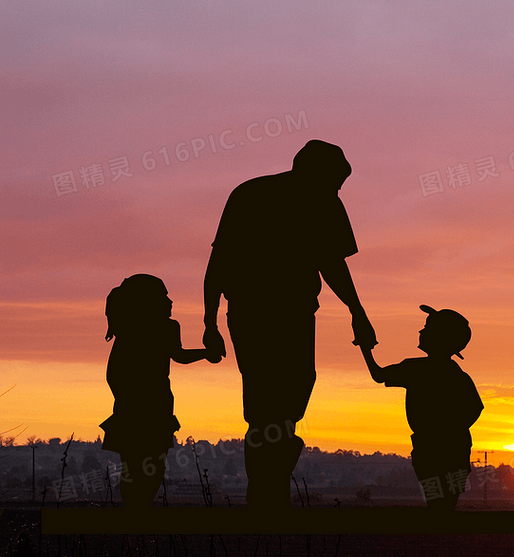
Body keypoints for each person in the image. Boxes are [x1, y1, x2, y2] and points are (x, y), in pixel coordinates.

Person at [202, 140, 377, 509]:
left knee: (293, 394)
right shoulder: (250, 195)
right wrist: (210, 322)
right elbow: (220, 261)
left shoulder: (326, 204)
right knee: (265, 404)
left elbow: (332, 264)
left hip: (297, 313)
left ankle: (273, 483)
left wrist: (357, 311)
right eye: (334, 182)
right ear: (309, 172)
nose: (337, 191)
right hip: (254, 314)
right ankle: (265, 495)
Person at [99, 274, 218, 509]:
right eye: (163, 297)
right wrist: (206, 353)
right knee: (142, 465)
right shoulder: (153, 329)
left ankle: (136, 511)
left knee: (145, 465)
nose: (170, 301)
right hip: (144, 407)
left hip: (151, 406)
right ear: (148, 302)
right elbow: (179, 355)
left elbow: (114, 374)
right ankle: (136, 511)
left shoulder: (143, 329)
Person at [362, 305, 483, 512]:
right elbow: (475, 408)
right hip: (451, 448)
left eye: (427, 328)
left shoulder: (416, 370)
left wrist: (365, 347)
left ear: (439, 337)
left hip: (431, 448)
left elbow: (378, 375)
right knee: (443, 505)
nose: (421, 332)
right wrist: (453, 429)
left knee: (437, 504)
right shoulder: (456, 375)